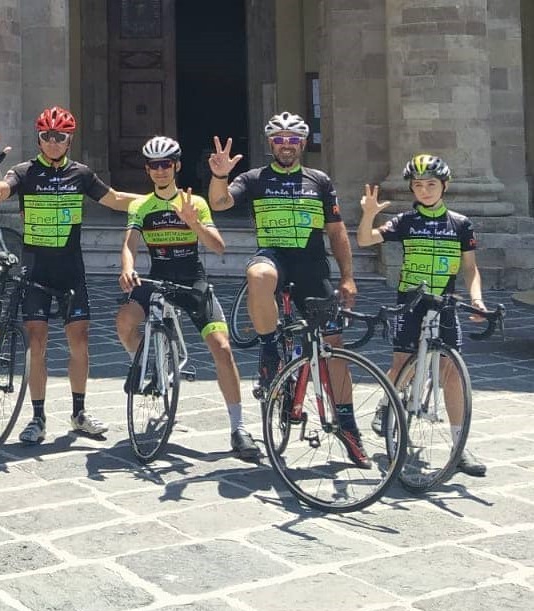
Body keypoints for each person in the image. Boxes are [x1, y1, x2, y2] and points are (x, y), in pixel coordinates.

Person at [207, 111, 366, 466]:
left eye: (293, 140)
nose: (286, 145)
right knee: (259, 276)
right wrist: (220, 175)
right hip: (274, 257)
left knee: (333, 349)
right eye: (279, 139)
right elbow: (219, 203)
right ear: (270, 144)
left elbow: (337, 232)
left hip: (311, 266)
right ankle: (269, 350)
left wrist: (347, 276)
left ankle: (348, 426)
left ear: (303, 144)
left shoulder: (319, 180)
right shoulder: (254, 178)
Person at [0, 105, 141, 445]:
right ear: (39, 139)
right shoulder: (24, 172)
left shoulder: (80, 174)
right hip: (36, 272)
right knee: (36, 345)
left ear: (69, 140)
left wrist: (160, 201)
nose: (53, 142)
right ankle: (37, 418)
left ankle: (79, 413)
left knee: (79, 344)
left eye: (60, 137)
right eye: (47, 136)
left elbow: (113, 199)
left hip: (71, 272)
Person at [117, 136, 257, 459]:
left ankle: (238, 427)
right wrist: (127, 268)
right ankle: (146, 362)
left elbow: (219, 247)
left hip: (192, 281)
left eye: (166, 164)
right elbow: (129, 244)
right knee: (124, 322)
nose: (161, 171)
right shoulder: (141, 206)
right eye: (154, 165)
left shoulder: (196, 203)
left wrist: (194, 223)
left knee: (222, 349)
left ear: (177, 166)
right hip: (156, 278)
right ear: (148, 169)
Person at [357, 154, 488, 476]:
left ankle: (459, 447)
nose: (425, 190)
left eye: (431, 184)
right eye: (418, 185)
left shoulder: (460, 224)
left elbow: (470, 269)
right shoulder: (405, 221)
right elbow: (364, 240)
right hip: (410, 302)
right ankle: (388, 402)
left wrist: (477, 299)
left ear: (444, 186)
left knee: (452, 374)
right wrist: (368, 215)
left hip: (444, 303)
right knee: (402, 364)